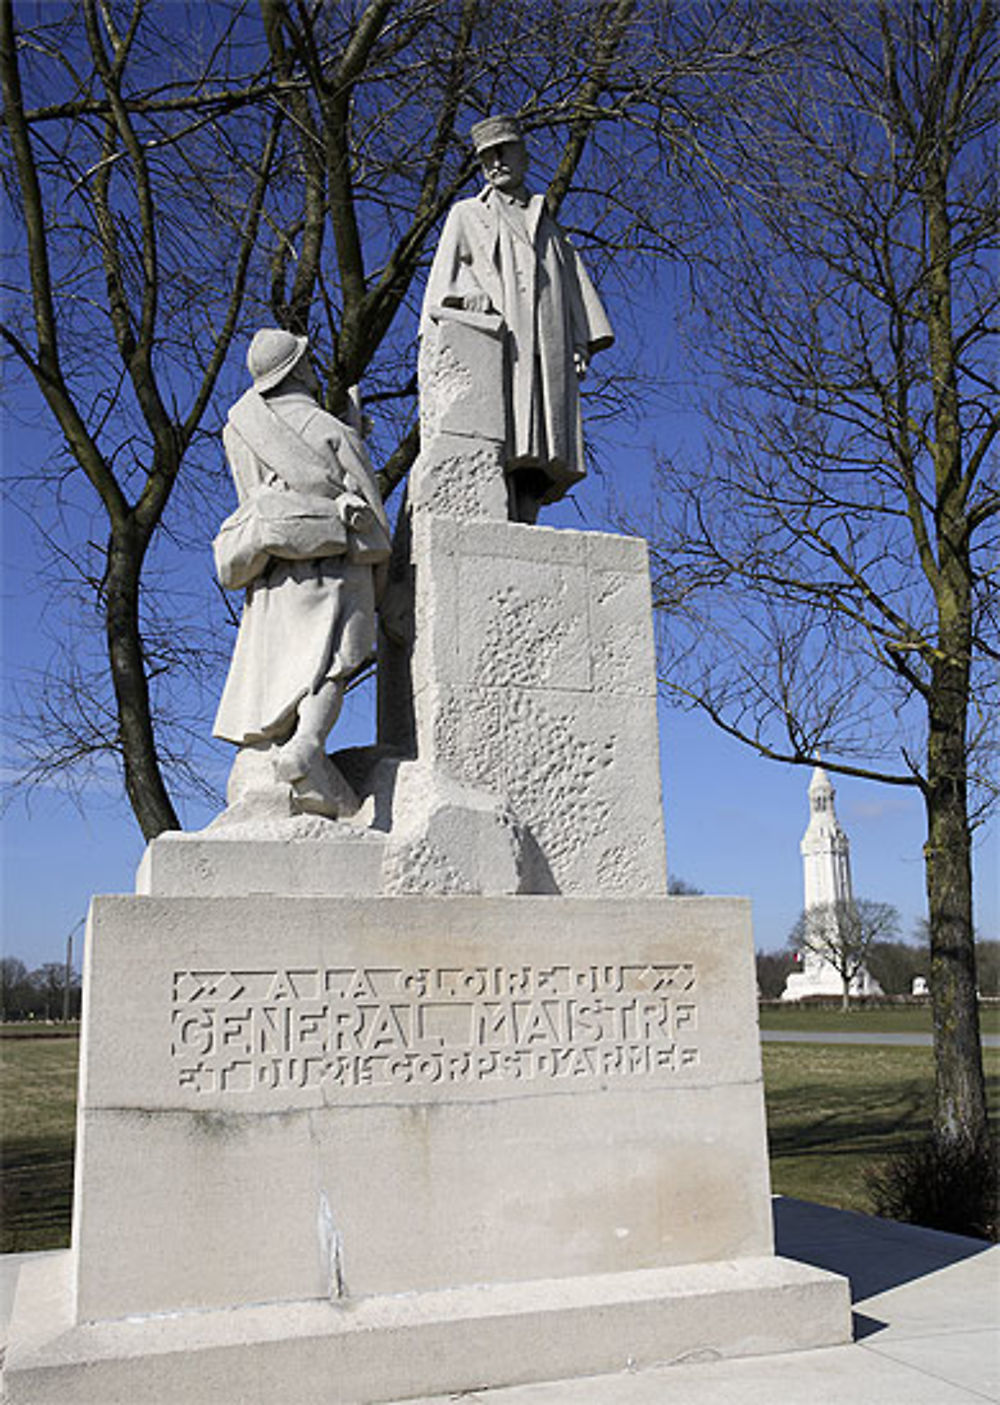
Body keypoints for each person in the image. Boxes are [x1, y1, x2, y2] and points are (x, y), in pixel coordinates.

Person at [213, 328, 391, 817]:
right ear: (295, 369)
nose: (314, 367)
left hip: (273, 572)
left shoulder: (239, 431)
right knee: (334, 662)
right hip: (333, 569)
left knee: (285, 664)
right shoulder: (331, 431)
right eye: (307, 360)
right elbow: (373, 520)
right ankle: (307, 745)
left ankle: (278, 749)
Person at [421, 114, 614, 522]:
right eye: (486, 157)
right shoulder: (467, 214)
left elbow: (572, 282)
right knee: (506, 433)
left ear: (523, 155)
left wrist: (580, 341)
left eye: (502, 151)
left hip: (547, 342)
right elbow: (444, 281)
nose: (495, 163)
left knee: (543, 442)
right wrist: (468, 294)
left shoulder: (548, 223)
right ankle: (498, 512)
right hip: (502, 346)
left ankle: (525, 516)